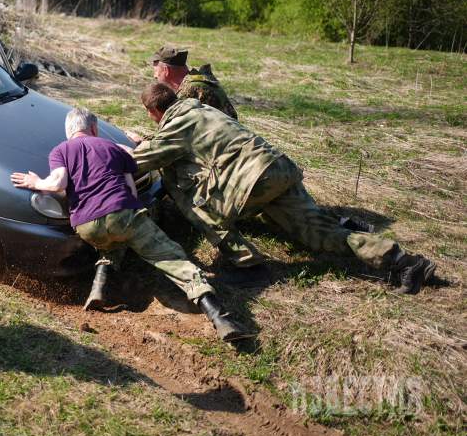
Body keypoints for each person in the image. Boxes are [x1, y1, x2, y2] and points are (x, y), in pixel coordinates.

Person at [133, 83, 437, 294]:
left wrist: (127, 148)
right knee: (318, 232)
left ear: (153, 111)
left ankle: (246, 265)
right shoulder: (203, 110)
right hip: (278, 168)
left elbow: (141, 162)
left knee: (196, 204)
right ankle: (405, 262)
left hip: (253, 181)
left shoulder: (176, 125)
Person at [11, 107, 249, 342]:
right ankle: (219, 317)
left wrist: (35, 182)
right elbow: (131, 189)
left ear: (69, 131)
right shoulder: (113, 147)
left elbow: (57, 184)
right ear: (93, 128)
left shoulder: (60, 150)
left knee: (111, 241)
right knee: (170, 256)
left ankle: (98, 287)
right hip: (121, 215)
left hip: (87, 227)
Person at [151, 46, 237, 120]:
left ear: (166, 71)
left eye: (156, 71)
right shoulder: (195, 81)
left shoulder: (191, 89)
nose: (155, 76)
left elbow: (176, 127)